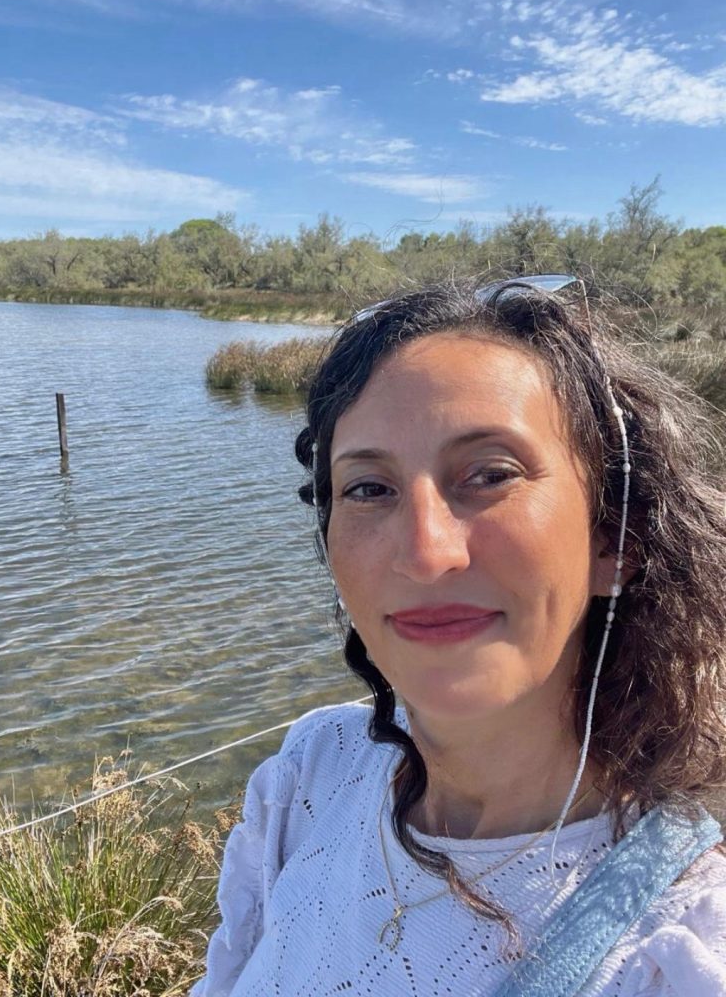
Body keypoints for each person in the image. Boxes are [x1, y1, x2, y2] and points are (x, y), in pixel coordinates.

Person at [191, 278, 726, 997]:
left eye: (488, 475)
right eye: (368, 489)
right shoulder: (309, 779)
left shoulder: (680, 948)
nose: (424, 552)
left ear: (616, 538)